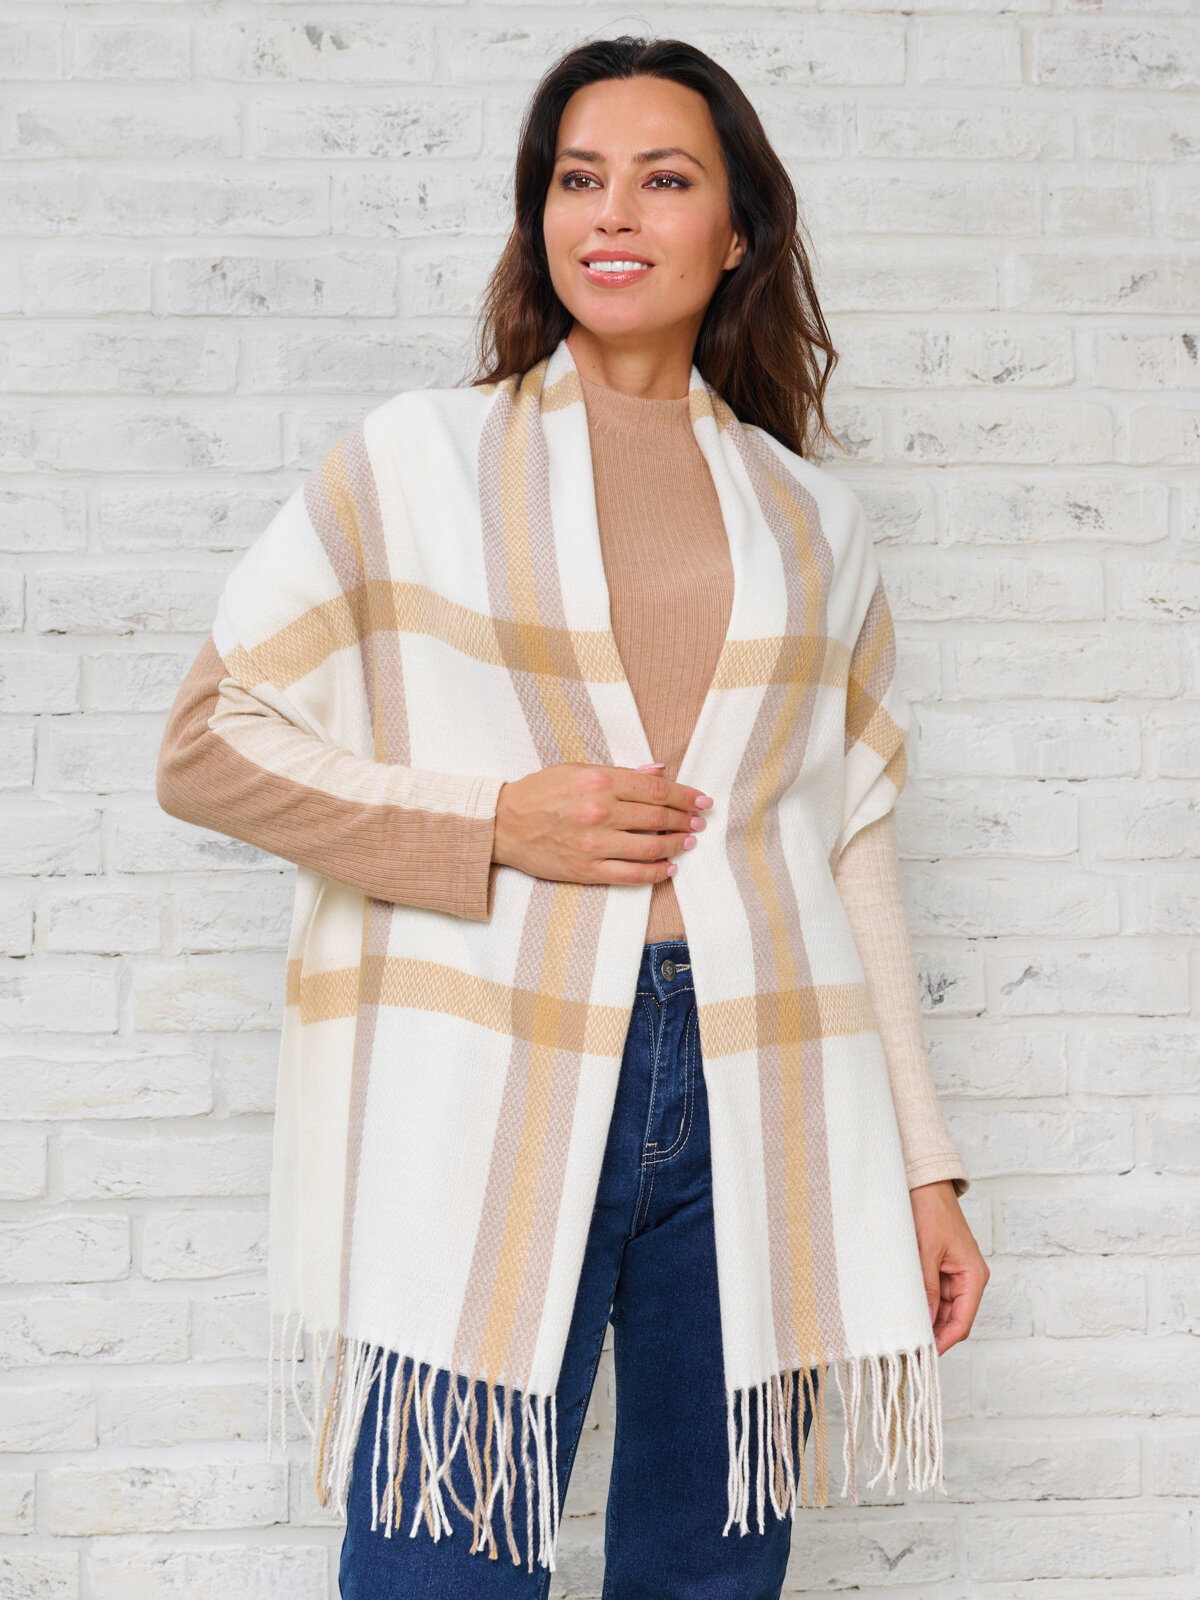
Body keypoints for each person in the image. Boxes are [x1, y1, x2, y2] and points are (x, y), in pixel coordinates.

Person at [157, 35, 989, 1600]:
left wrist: (923, 1172)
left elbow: (849, 844)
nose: (611, 213)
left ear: (737, 232)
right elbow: (205, 745)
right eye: (576, 177)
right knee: (437, 1563)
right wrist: (491, 821)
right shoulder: (418, 463)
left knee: (710, 1570)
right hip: (494, 1060)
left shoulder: (813, 522)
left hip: (758, 1079)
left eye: (663, 179)